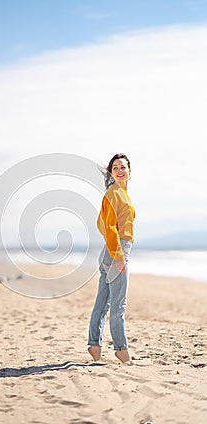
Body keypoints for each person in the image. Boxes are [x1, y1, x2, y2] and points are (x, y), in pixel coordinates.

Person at [88, 153, 135, 364]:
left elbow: (101, 223)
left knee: (103, 302)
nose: (119, 170)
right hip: (117, 251)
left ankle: (95, 346)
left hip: (110, 251)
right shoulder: (114, 193)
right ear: (111, 172)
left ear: (129, 171)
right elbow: (108, 226)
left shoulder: (120, 194)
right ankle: (121, 350)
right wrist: (118, 255)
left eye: (123, 167)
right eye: (115, 168)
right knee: (118, 305)